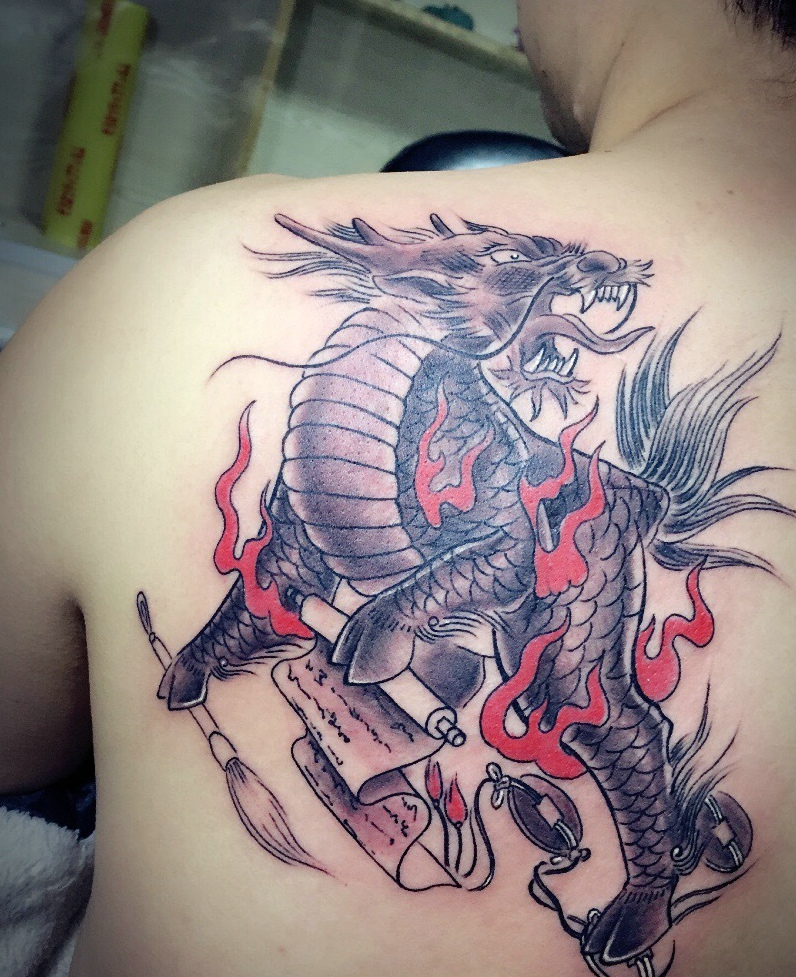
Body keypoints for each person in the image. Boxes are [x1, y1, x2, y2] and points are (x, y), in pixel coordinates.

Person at [2, 1, 795, 975]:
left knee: (584, 698)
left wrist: (400, 610)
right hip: (416, 512)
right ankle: (216, 646)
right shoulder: (387, 350)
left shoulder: (166, 290)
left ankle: (649, 872)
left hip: (562, 537)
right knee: (292, 542)